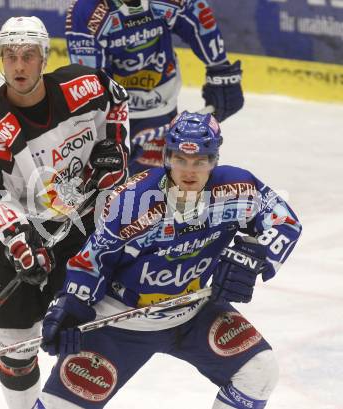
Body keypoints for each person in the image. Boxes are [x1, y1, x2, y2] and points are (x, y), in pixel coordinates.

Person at [35, 111, 302, 409]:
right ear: (166, 158)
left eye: (200, 161)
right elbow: (93, 260)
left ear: (214, 161)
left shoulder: (238, 189)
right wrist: (70, 304)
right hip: (122, 321)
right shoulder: (133, 201)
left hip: (194, 313)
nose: (190, 171)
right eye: (181, 160)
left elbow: (285, 223)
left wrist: (254, 255)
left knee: (259, 370)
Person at [0, 16, 130, 409]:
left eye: (29, 55)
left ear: (44, 58)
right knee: (15, 350)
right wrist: (20, 242)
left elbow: (117, 102)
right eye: (10, 56)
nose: (19, 66)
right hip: (16, 233)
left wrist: (116, 146)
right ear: (0, 60)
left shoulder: (83, 86)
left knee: (84, 332)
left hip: (80, 223)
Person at [65, 0, 244, 174]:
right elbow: (92, 82)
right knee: (113, 187)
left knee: (162, 185)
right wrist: (109, 130)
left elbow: (197, 20)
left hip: (162, 104)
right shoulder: (85, 12)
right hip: (120, 114)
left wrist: (222, 72)